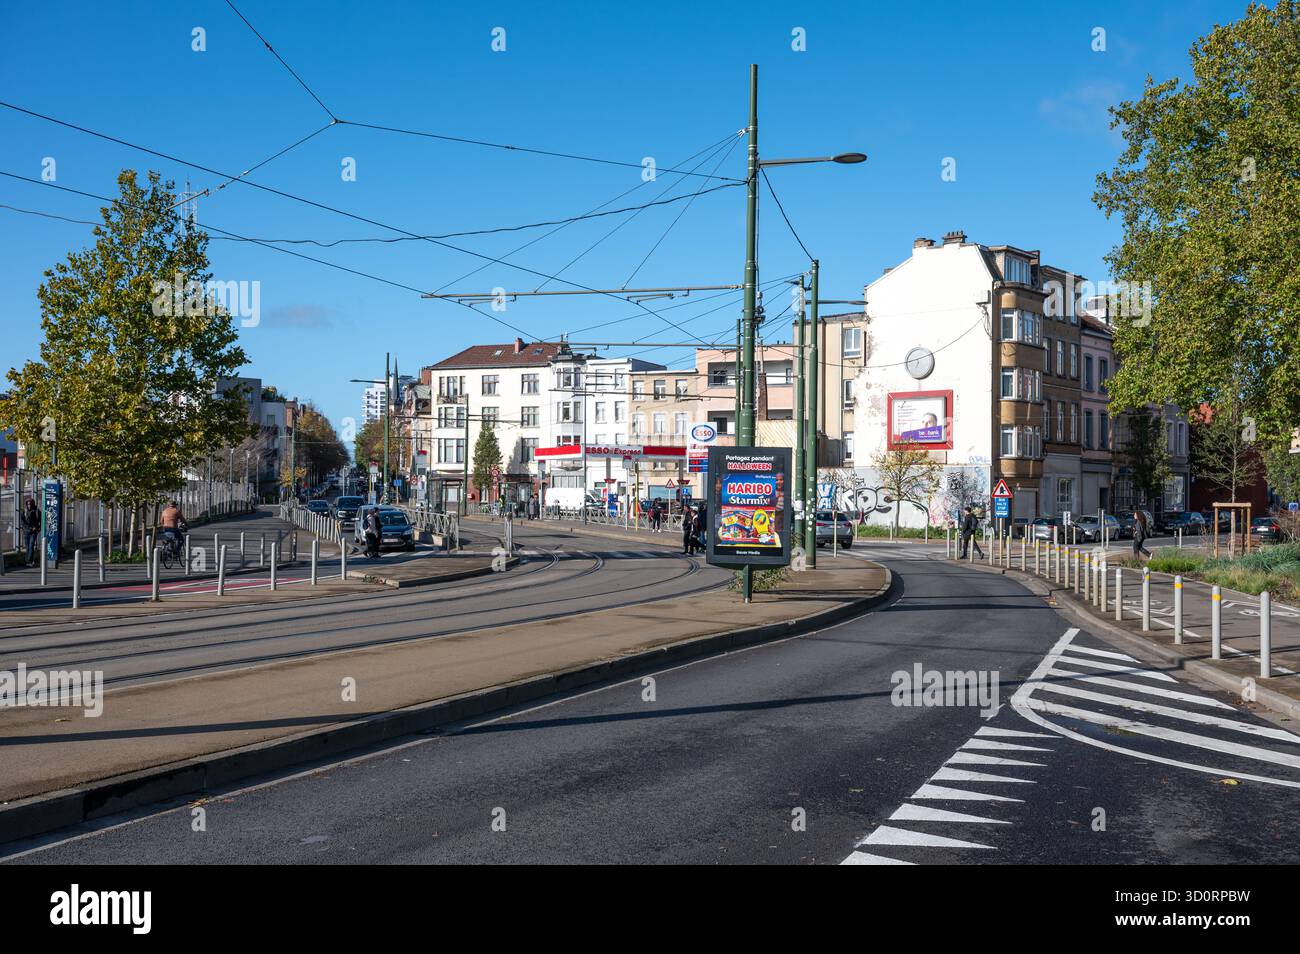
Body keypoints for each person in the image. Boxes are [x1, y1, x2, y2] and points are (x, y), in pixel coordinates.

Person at [21, 498, 40, 566]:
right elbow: (22, 523)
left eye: (30, 504)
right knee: (27, 547)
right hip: (26, 532)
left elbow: (39, 521)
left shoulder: (37, 511)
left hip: (33, 532)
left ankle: (29, 561)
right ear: (26, 504)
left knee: (31, 546)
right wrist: (29, 528)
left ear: (33, 504)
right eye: (28, 504)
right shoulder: (24, 512)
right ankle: (29, 561)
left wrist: (37, 528)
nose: (29, 505)